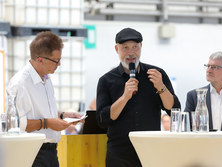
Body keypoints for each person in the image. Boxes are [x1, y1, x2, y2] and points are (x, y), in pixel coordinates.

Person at [96, 27, 181, 167]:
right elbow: (102, 120)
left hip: (151, 150)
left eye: (135, 47)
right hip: (119, 153)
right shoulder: (106, 80)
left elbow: (174, 109)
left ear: (141, 47)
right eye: (125, 48)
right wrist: (124, 97)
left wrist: (160, 86)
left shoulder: (156, 74)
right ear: (117, 49)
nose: (131, 53)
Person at [7, 31, 84, 167]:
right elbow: (19, 124)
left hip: (51, 151)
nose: (59, 64)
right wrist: (47, 123)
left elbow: (42, 111)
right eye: (56, 60)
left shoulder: (46, 78)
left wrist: (63, 115)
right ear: (40, 59)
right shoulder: (20, 83)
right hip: (33, 153)